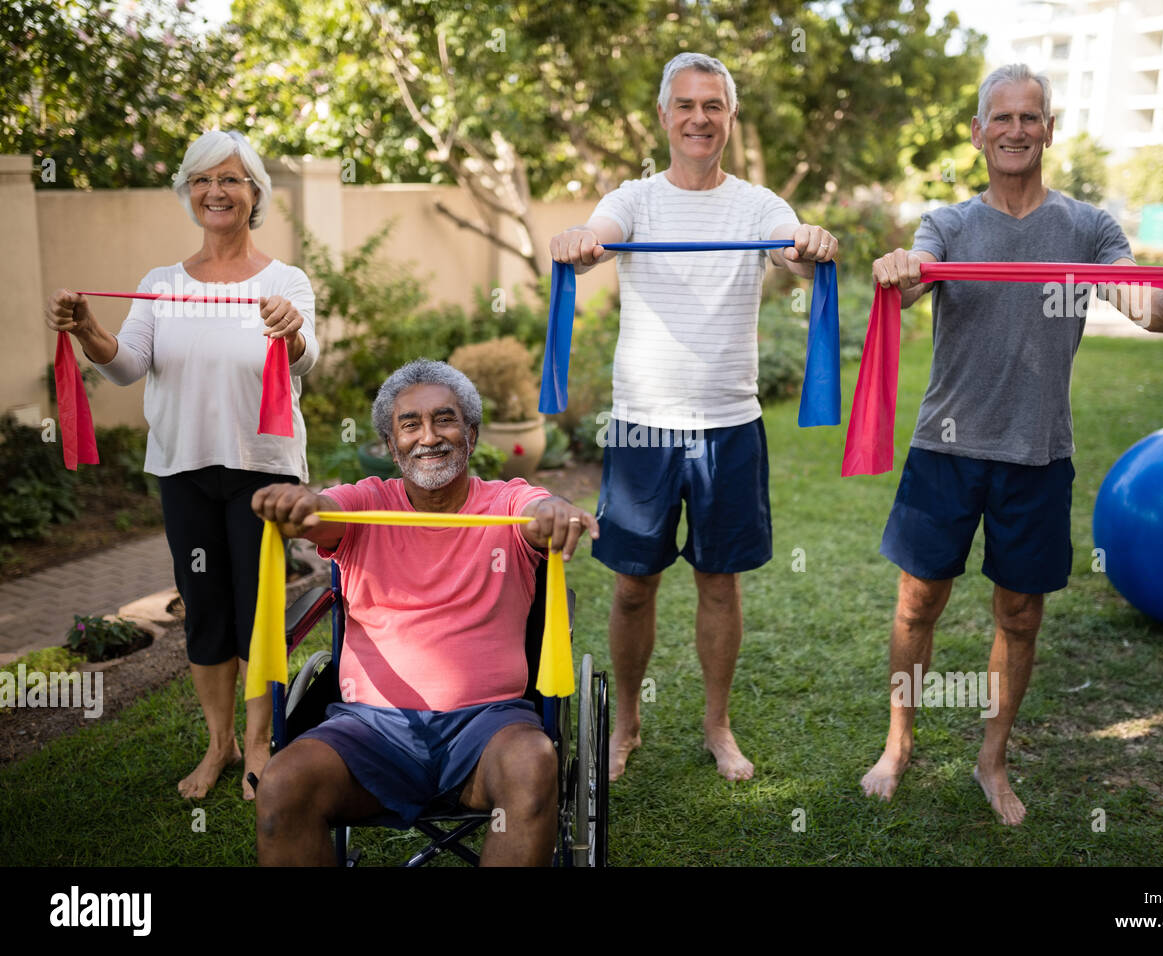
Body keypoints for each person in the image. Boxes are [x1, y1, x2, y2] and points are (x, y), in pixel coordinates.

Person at [860, 64, 1163, 824]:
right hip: (947, 447)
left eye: (1032, 118)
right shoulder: (949, 225)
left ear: (1049, 129)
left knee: (1020, 613)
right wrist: (901, 270)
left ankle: (991, 761)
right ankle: (898, 744)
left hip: (1037, 452)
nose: (1017, 130)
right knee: (917, 603)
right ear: (979, 132)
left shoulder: (1087, 228)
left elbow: (1145, 306)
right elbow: (915, 283)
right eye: (1003, 118)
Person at [550, 52, 839, 783]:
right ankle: (626, 724)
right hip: (643, 427)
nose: (699, 118)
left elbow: (792, 250)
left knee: (719, 582)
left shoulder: (756, 204)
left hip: (729, 425)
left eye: (713, 105)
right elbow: (595, 236)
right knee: (631, 585)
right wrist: (578, 243)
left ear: (729, 118)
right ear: (664, 116)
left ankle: (717, 726)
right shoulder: (636, 199)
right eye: (686, 105)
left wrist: (810, 245)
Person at [43, 130, 319, 800]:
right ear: (188, 193)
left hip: (263, 472)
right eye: (202, 180)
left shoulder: (285, 281)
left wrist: (292, 326)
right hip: (184, 470)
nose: (215, 191)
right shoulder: (160, 284)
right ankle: (217, 744)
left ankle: (260, 747)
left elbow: (308, 360)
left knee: (258, 611)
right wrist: (85, 329)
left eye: (229, 179)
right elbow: (127, 364)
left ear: (254, 194)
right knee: (204, 609)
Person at [251, 359, 598, 866]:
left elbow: (541, 511)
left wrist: (554, 512)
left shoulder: (506, 502)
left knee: (533, 763)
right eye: (410, 425)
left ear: (472, 434)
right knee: (282, 784)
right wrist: (295, 503)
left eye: (445, 419)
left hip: (489, 727)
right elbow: (317, 510)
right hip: (369, 731)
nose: (428, 437)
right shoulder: (363, 504)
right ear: (392, 445)